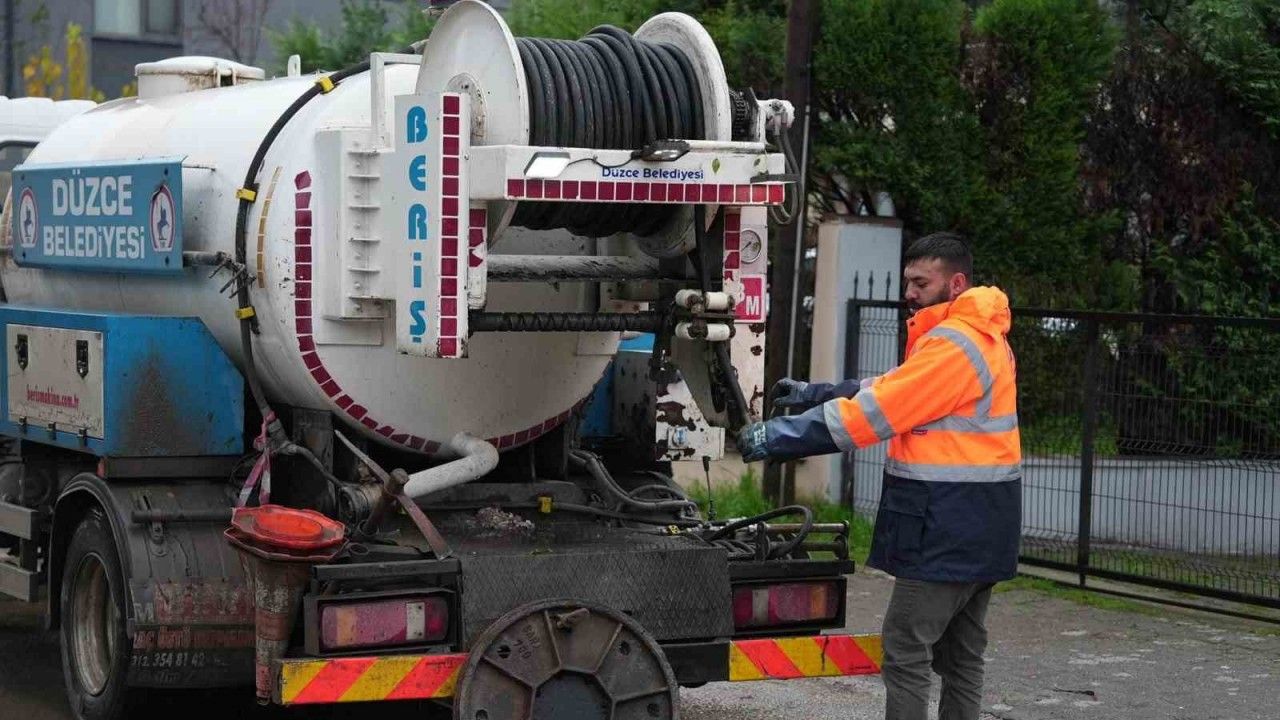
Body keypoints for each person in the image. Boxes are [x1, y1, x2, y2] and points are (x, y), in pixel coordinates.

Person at [737, 232, 1021, 720]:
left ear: (955, 283)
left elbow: (879, 410)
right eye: (907, 281)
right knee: (961, 655)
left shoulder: (954, 346)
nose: (909, 292)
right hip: (982, 525)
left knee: (906, 647)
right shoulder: (977, 337)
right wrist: (816, 393)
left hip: (946, 529)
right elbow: (892, 386)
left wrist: (779, 436)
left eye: (920, 283)